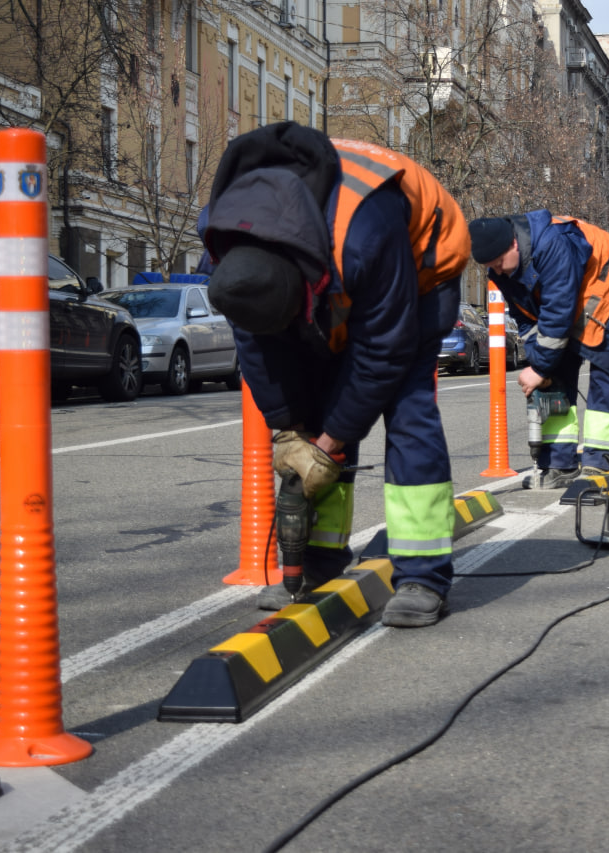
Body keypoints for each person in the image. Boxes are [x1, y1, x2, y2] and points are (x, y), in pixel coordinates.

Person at [200, 122, 470, 628]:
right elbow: (256, 346)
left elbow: (381, 353)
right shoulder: (226, 241)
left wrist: (330, 442)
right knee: (316, 411)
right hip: (326, 260)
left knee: (406, 408)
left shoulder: (365, 230)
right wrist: (290, 427)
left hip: (422, 269)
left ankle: (423, 576)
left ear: (307, 292)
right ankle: (318, 563)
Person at [468, 212, 609, 489]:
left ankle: (598, 464)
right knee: (552, 378)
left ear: (513, 244)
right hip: (586, 299)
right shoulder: (502, 272)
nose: (497, 271)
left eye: (499, 263)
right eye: (491, 267)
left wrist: (539, 368)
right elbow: (528, 318)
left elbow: (558, 311)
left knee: (608, 371)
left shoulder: (551, 244)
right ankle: (559, 465)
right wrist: (540, 366)